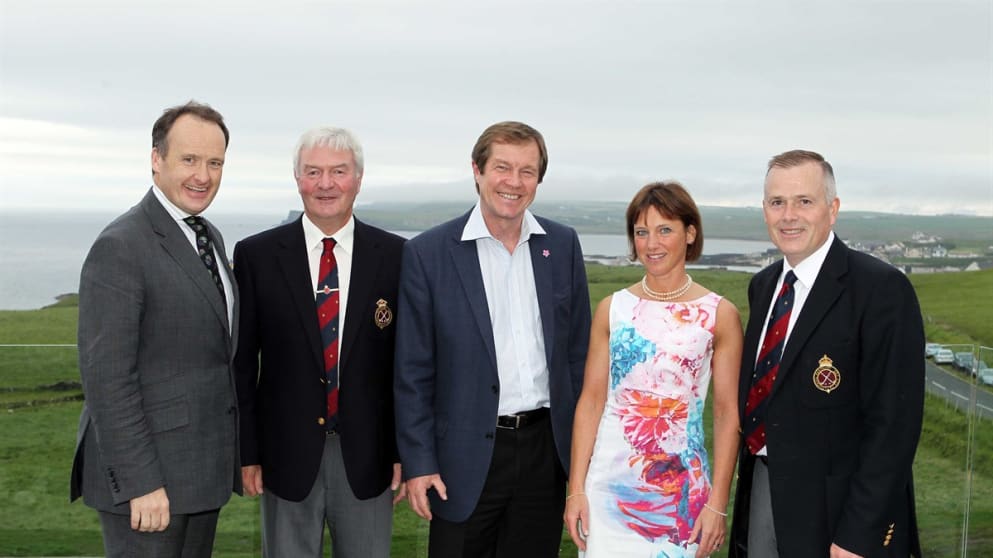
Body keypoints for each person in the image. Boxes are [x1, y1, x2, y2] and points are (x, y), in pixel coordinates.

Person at [394, 121, 592, 558]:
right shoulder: (427, 254)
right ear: (477, 171)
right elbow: (412, 372)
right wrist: (419, 463)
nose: (514, 182)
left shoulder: (561, 245)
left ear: (539, 179)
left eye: (527, 171)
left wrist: (582, 457)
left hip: (545, 453)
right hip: (462, 457)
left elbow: (578, 358)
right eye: (502, 167)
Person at [729, 150, 925, 558]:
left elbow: (894, 428)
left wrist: (859, 533)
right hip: (764, 492)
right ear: (764, 210)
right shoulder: (764, 287)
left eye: (804, 201)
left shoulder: (880, 290)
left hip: (838, 515)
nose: (788, 215)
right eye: (777, 202)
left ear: (832, 209)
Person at [69, 101, 240, 557]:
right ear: (156, 159)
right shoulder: (121, 245)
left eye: (214, 162)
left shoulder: (208, 237)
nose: (202, 175)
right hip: (149, 490)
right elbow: (107, 378)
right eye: (189, 159)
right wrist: (141, 483)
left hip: (199, 479)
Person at [232, 127, 405, 558]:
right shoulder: (256, 256)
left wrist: (407, 452)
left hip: (369, 459)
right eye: (313, 172)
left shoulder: (397, 256)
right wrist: (246, 451)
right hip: (284, 458)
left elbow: (408, 367)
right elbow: (240, 364)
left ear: (359, 179)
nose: (325, 184)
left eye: (338, 172)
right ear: (297, 179)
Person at [564, 181, 743, 557]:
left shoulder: (719, 314)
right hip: (608, 489)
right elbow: (592, 401)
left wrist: (717, 503)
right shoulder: (612, 309)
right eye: (641, 232)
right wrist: (576, 488)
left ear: (690, 234)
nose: (651, 243)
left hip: (681, 493)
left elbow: (727, 415)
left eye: (665, 230)